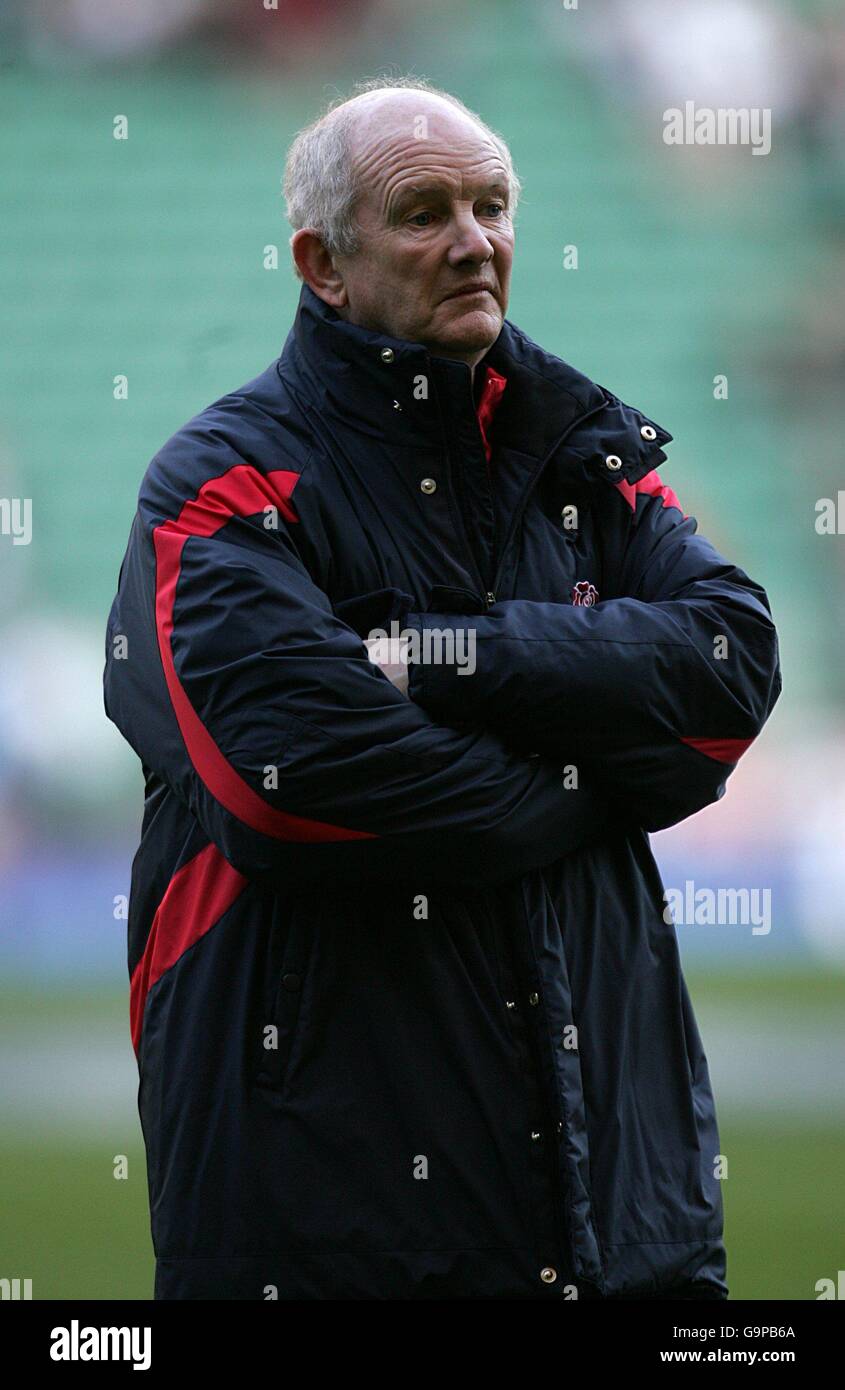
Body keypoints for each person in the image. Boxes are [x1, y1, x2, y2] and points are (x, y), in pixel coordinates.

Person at [103, 76, 781, 1300]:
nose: (474, 241)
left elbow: (728, 670)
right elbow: (292, 787)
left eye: (493, 206)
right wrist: (590, 780)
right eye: (424, 212)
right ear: (323, 263)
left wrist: (447, 656)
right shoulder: (219, 487)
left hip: (627, 1228)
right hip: (326, 1237)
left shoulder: (586, 453)